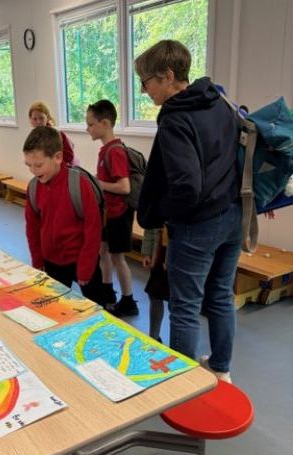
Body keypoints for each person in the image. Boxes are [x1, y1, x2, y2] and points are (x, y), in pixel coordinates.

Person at [135, 40, 242, 382]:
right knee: (221, 295)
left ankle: (186, 386)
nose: (144, 90)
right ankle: (221, 370)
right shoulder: (219, 101)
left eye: (146, 81)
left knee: (185, 307)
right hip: (233, 216)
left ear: (168, 76)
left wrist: (162, 212)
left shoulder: (175, 119)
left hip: (198, 225)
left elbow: (186, 187)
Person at [24, 126, 104, 305]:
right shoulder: (34, 187)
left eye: (38, 165)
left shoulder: (79, 184)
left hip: (82, 260)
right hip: (51, 262)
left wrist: (85, 267)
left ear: (58, 157)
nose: (33, 171)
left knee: (97, 307)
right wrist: (37, 260)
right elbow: (32, 228)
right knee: (55, 306)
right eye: (28, 165)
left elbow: (93, 229)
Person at [86, 99, 139, 316]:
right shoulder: (105, 150)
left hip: (119, 213)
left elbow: (124, 187)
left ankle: (128, 301)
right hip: (108, 213)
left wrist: (99, 183)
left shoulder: (114, 151)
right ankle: (107, 291)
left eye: (91, 124)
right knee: (103, 251)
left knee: (118, 257)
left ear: (105, 123)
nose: (88, 129)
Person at [28, 101, 76, 168]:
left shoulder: (57, 134)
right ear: (30, 119)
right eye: (35, 119)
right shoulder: (32, 137)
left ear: (47, 117)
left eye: (41, 118)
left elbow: (69, 156)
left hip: (58, 169)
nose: (38, 122)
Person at [141, 227, 169, 342]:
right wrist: (147, 253)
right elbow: (150, 227)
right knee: (154, 294)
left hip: (179, 256)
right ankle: (153, 337)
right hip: (159, 253)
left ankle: (178, 347)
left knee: (179, 304)